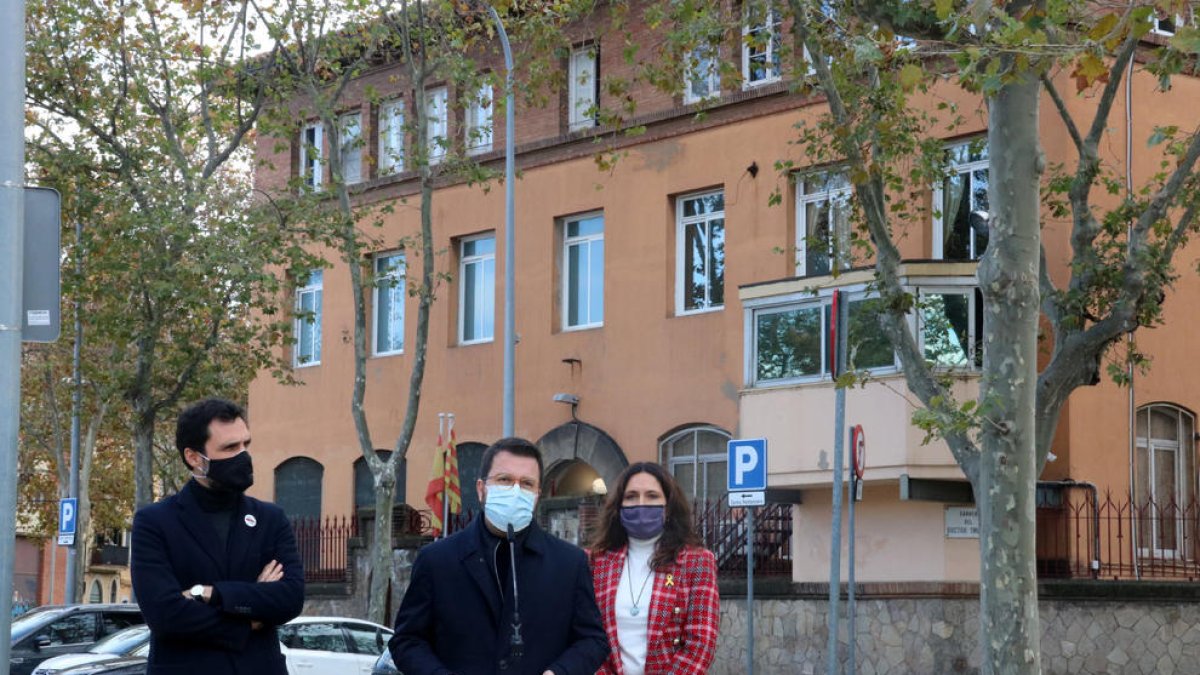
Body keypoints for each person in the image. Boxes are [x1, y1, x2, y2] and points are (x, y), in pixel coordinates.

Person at [390, 437, 609, 675]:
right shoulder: (437, 560)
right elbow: (407, 641)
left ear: (537, 494)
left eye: (526, 483)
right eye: (504, 480)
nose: (515, 490)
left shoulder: (569, 563)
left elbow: (592, 641)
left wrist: (560, 672)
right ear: (481, 489)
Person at [131, 398, 304, 675]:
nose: (243, 455)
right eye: (230, 447)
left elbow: (290, 598)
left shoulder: (270, 519)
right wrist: (250, 618)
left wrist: (208, 593)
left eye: (246, 444)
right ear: (194, 457)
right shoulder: (154, 522)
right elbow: (165, 614)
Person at [588, 462, 719, 674]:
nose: (641, 504)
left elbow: (700, 643)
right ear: (618, 506)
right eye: (631, 496)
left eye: (652, 496)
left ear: (668, 506)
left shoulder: (697, 561)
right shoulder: (595, 562)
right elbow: (586, 637)